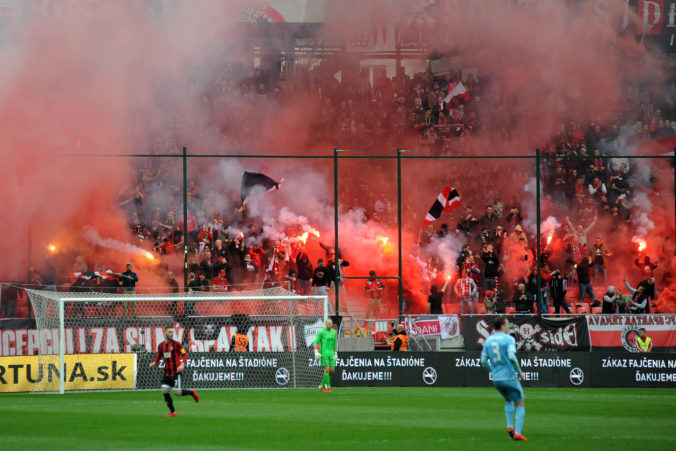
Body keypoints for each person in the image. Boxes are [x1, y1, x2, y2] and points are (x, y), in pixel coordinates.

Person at [480, 316, 527, 441]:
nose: (508, 326)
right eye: (507, 324)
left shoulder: (488, 341)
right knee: (520, 402)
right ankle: (517, 432)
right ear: (502, 325)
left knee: (508, 400)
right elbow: (512, 356)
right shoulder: (509, 339)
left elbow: (483, 360)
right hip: (509, 376)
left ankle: (509, 426)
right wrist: (519, 371)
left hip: (496, 379)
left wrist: (493, 371)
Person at [148, 326, 199, 417]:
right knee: (164, 390)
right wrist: (154, 363)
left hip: (176, 372)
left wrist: (182, 364)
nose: (172, 334)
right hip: (167, 372)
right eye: (170, 332)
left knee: (177, 393)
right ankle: (173, 412)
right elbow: (159, 356)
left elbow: (185, 354)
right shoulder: (161, 346)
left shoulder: (177, 344)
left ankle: (192, 392)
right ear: (165, 333)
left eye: (172, 332)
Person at [312, 318, 338, 393]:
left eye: (331, 323)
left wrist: (336, 353)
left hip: (331, 354)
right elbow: (315, 341)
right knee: (326, 370)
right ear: (326, 324)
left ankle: (322, 385)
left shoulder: (334, 332)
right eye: (329, 323)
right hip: (324, 354)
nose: (330, 325)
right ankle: (328, 387)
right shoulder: (322, 332)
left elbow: (334, 343)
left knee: (332, 371)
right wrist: (316, 352)